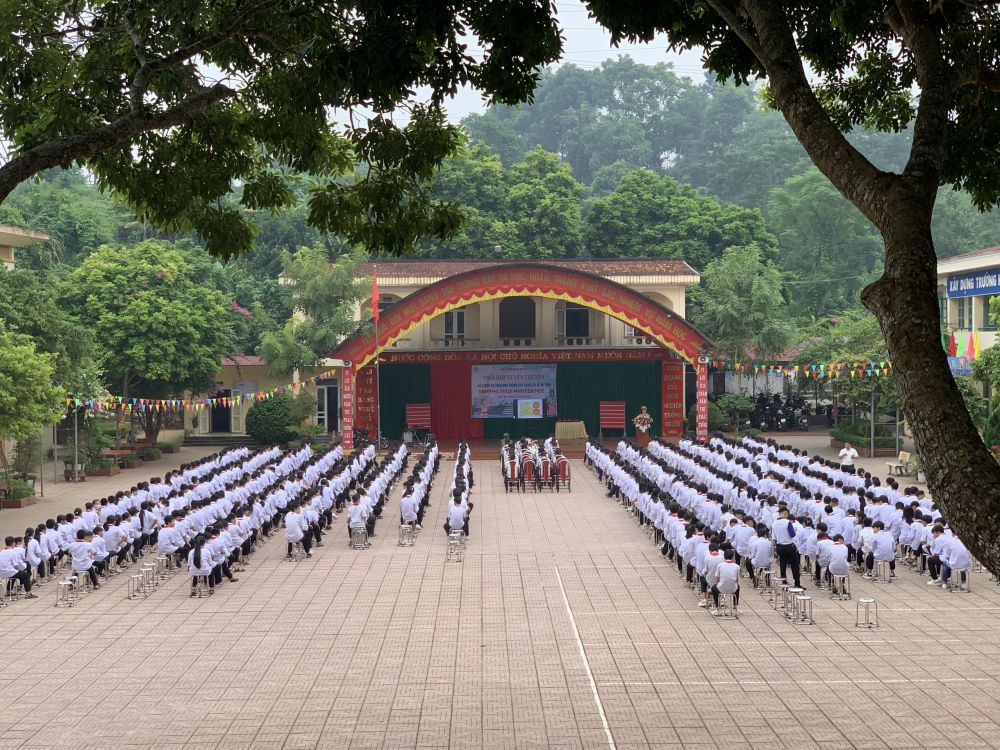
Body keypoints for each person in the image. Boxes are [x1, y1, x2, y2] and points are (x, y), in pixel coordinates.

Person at [771, 507, 801, 587]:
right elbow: (792, 534)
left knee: (782, 564)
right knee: (794, 565)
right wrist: (794, 531)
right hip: (789, 546)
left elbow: (774, 538)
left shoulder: (774, 524)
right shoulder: (788, 522)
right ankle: (797, 583)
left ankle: (784, 582)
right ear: (785, 513)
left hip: (780, 546)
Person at [711, 549, 741, 614]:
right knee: (738, 587)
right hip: (733, 589)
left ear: (724, 557)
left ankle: (718, 608)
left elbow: (717, 577)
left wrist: (718, 583)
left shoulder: (720, 565)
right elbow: (737, 579)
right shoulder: (737, 566)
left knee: (713, 588)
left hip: (721, 589)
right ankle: (735, 606)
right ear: (733, 557)